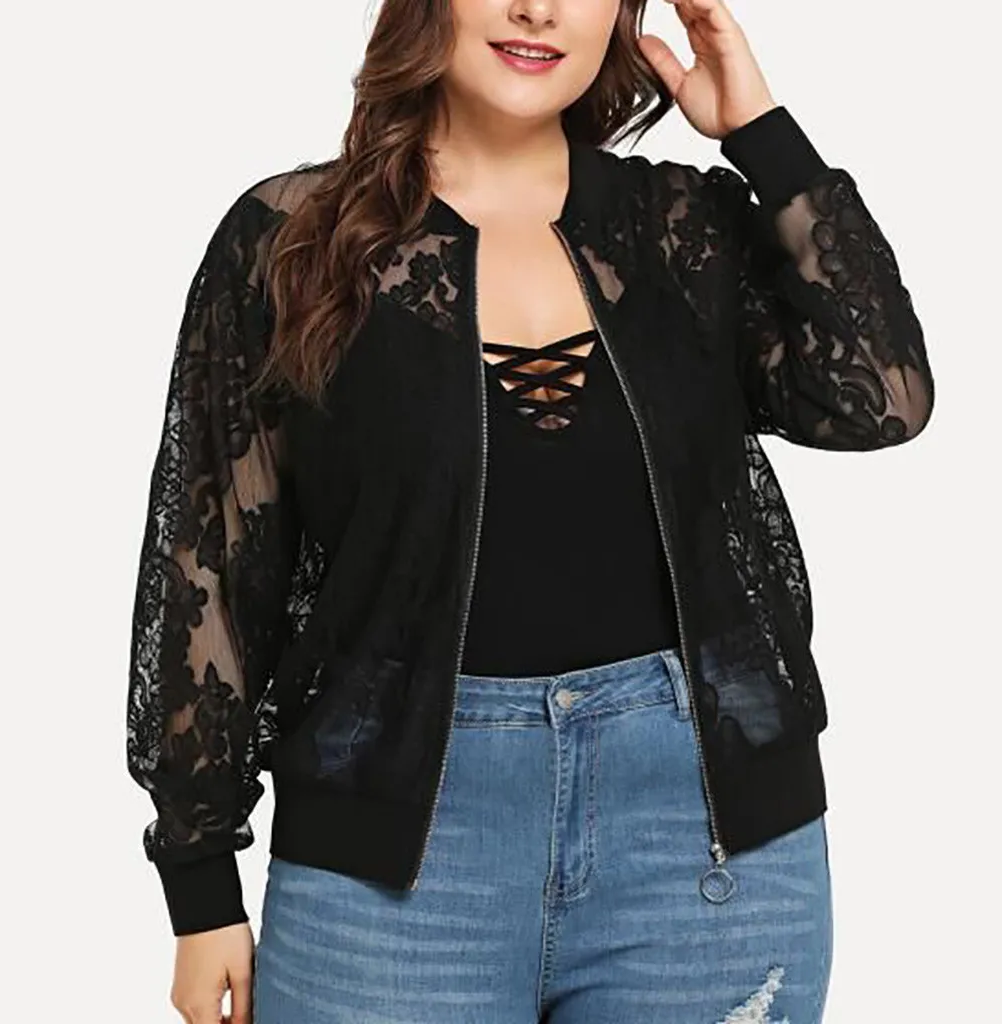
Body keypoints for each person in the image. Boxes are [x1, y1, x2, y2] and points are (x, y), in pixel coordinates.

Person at [126, 0, 934, 1021]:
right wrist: (200, 884)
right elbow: (208, 559)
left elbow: (882, 397)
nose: (538, 9)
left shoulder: (682, 226)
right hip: (391, 862)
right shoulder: (293, 241)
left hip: (704, 851)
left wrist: (759, 132)